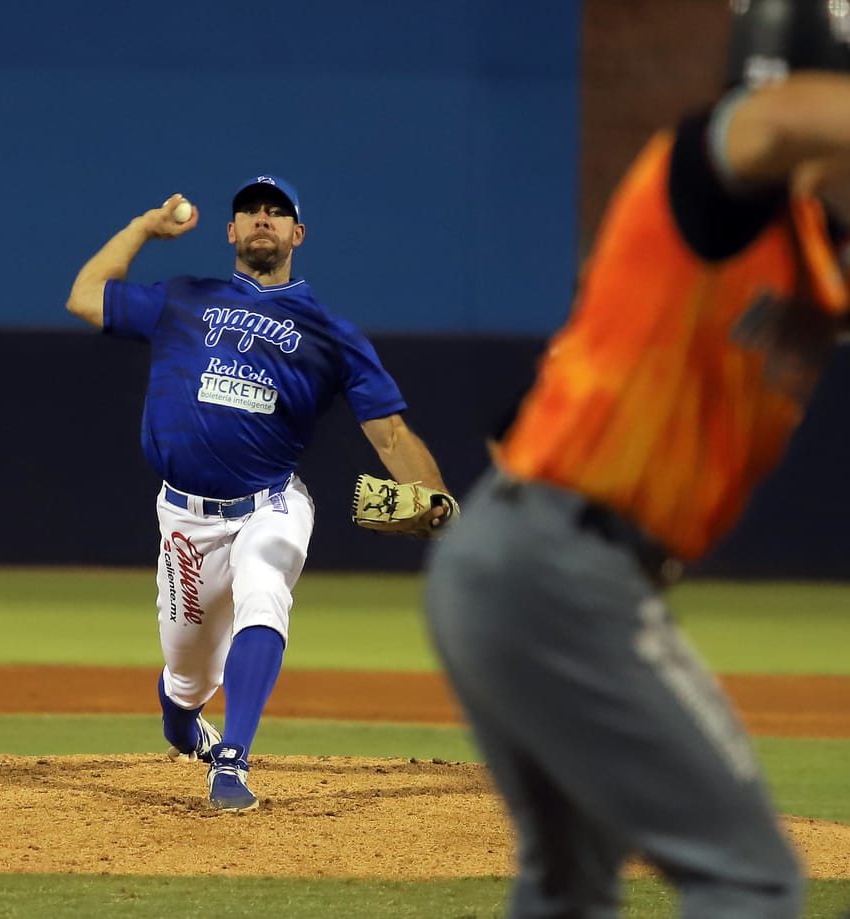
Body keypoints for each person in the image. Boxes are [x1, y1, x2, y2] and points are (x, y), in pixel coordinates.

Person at [424, 1, 850, 916]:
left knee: (567, 884)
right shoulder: (715, 179)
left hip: (523, 566)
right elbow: (767, 120)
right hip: (556, 566)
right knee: (753, 877)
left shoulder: (808, 246)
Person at [66, 174, 451, 812]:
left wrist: (438, 503)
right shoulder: (184, 298)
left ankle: (233, 761)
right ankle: (184, 724)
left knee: (265, 586)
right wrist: (143, 228)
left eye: (277, 212)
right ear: (231, 231)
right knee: (188, 676)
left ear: (297, 234)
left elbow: (390, 434)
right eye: (250, 211)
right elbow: (86, 296)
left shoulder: (331, 333)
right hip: (183, 518)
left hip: (269, 505)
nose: (262, 219)